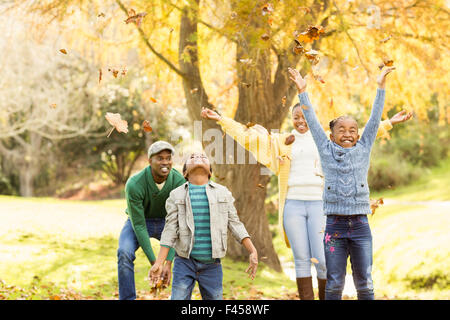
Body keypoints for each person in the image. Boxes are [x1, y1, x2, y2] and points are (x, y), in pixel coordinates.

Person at [200, 90, 411, 299]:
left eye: (304, 116)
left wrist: (389, 122)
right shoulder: (282, 141)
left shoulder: (326, 140)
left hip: (320, 204)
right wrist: (221, 119)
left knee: (321, 258)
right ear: (292, 119)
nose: (300, 121)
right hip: (293, 204)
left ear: (312, 117)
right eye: (296, 117)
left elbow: (364, 134)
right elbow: (248, 137)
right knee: (301, 258)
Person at [288, 65, 395, 300]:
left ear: (358, 134)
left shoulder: (364, 147)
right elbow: (313, 121)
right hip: (334, 228)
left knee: (365, 283)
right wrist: (302, 91)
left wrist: (380, 86)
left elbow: (375, 118)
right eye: (342, 130)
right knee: (335, 283)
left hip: (360, 226)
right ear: (332, 135)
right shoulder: (325, 149)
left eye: (352, 130)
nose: (347, 134)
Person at [150, 152, 258, 300]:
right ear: (185, 172)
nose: (199, 157)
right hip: (184, 262)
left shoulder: (223, 193)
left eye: (203, 157)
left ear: (210, 171)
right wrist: (159, 263)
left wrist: (252, 250)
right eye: (193, 157)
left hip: (212, 265)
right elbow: (169, 230)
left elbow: (234, 223)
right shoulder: (176, 195)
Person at [117, 141, 186, 300]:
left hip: (168, 223)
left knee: (187, 251)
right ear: (150, 161)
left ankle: (180, 298)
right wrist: (156, 263)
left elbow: (179, 223)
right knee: (124, 252)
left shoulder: (179, 182)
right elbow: (139, 225)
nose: (165, 162)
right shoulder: (134, 184)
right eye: (160, 158)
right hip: (140, 222)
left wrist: (167, 262)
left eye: (168, 158)